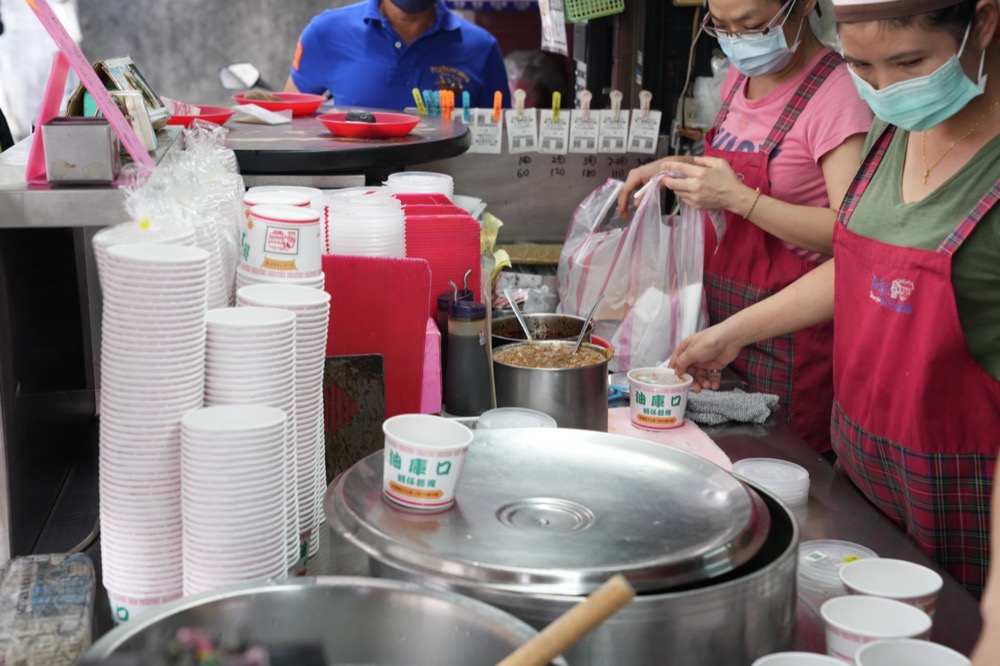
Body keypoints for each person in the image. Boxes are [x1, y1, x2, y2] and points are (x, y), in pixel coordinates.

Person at [671, 0, 1000, 597]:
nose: (884, 89)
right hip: (863, 471)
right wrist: (732, 333)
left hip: (965, 492)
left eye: (907, 62)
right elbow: (857, 261)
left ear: (983, 22)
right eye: (861, 68)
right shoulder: (890, 131)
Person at [618, 0, 872, 454]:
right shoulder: (740, 78)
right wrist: (667, 168)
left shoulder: (839, 96)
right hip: (722, 327)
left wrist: (740, 200)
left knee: (777, 467)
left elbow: (852, 236)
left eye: (752, 25)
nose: (738, 40)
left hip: (791, 340)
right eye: (723, 28)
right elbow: (724, 171)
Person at [284, 0, 510, 110]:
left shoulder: (481, 48)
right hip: (352, 195)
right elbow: (289, 119)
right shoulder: (326, 32)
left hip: (447, 193)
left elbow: (499, 139)